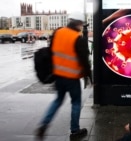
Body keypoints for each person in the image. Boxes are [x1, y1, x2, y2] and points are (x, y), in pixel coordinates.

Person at [35, 12, 92, 140]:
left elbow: (51, 52)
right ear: (79, 23)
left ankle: (43, 124)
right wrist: (89, 77)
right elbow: (84, 60)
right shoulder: (78, 38)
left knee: (57, 101)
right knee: (76, 103)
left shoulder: (58, 32)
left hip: (58, 76)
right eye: (81, 24)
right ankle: (75, 131)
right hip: (72, 77)